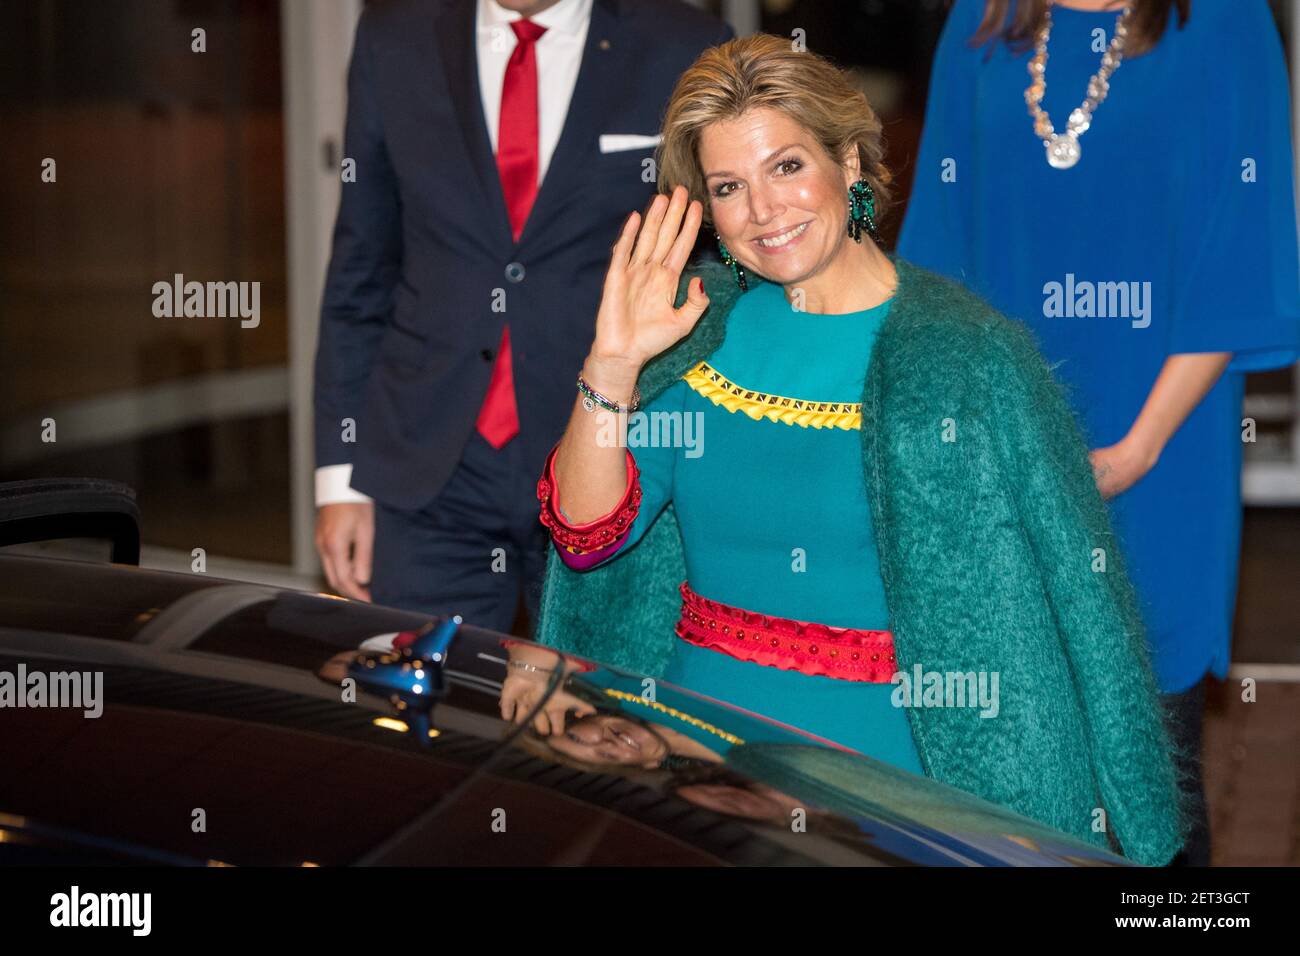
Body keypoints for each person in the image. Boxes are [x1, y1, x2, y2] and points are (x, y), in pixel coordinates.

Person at [525, 32, 1188, 866]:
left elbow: (1085, 606)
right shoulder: (692, 331)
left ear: (848, 159)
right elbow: (588, 538)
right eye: (730, 186)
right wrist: (612, 362)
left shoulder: (974, 357)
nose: (765, 211)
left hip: (906, 786)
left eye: (788, 167)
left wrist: (1137, 830)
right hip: (693, 768)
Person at [898, 0, 1300, 866]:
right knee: (1003, 769)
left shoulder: (1226, 23)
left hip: (1164, 448)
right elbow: (934, 250)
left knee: (1150, 785)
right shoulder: (981, 22)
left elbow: (1238, 256)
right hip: (996, 452)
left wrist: (1136, 450)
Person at [313, 0, 731, 633]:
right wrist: (341, 482)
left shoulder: (683, 42)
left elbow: (713, 275)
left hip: (607, 460)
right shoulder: (394, 34)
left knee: (586, 714)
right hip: (425, 463)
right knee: (423, 714)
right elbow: (360, 267)